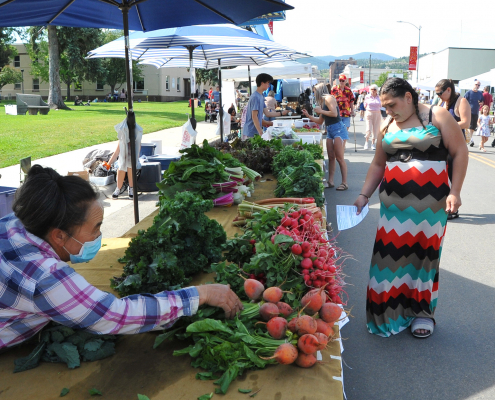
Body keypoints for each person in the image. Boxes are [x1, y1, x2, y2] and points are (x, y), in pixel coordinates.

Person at [0, 166, 243, 351]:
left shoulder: (19, 221)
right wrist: (200, 294)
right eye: (95, 228)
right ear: (59, 235)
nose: (99, 235)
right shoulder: (45, 278)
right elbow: (117, 316)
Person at [354, 77, 468, 338]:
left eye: (392, 104)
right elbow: (377, 165)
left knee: (423, 260)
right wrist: (363, 194)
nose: (388, 110)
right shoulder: (388, 123)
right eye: (385, 106)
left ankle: (421, 313)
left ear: (408, 97)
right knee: (387, 263)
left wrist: (456, 191)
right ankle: (388, 315)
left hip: (431, 208)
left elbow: (461, 152)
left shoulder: (436, 115)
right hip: (393, 210)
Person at [435, 79, 471, 220]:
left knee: (452, 178)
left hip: (455, 144)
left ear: (449, 90)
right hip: (441, 143)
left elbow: (466, 122)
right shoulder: (441, 102)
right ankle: (444, 205)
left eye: (440, 93)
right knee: (441, 177)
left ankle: (453, 209)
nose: (438, 95)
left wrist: (447, 125)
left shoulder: (461, 101)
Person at [302, 83, 349, 191]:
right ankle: (330, 181)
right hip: (330, 131)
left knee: (339, 158)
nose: (313, 94)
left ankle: (344, 183)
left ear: (319, 91)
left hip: (338, 130)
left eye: (314, 91)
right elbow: (320, 121)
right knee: (331, 157)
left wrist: (321, 111)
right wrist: (309, 116)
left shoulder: (328, 98)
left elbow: (334, 113)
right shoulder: (323, 102)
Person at [242, 73, 290, 140]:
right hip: (250, 132)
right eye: (267, 83)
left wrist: (281, 113)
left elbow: (267, 113)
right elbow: (254, 116)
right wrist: (260, 132)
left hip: (255, 132)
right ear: (262, 83)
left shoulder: (261, 96)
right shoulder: (255, 97)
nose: (269, 85)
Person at [464, 80, 484, 146]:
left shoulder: (480, 93)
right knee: (469, 126)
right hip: (468, 111)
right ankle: (471, 139)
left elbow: (482, 101)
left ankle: (469, 139)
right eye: (476, 84)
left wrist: (481, 103)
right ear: (473, 84)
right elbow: (463, 101)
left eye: (479, 85)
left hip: (476, 111)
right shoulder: (468, 93)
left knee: (472, 127)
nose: (477, 86)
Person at [363, 84, 381, 150]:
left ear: (377, 90)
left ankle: (373, 143)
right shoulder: (367, 97)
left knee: (376, 129)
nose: (373, 91)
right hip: (369, 113)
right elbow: (365, 105)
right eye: (372, 89)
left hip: (377, 113)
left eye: (374, 89)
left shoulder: (379, 97)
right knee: (368, 129)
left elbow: (381, 105)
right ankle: (366, 142)